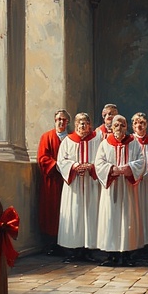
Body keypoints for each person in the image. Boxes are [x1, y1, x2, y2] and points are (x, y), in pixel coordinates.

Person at [95, 115, 146, 266]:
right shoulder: (105, 144)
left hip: (128, 188)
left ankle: (127, 254)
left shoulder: (134, 143)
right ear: (111, 127)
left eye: (122, 124)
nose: (119, 127)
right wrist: (112, 169)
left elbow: (141, 161)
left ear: (126, 127)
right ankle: (111, 255)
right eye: (116, 124)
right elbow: (99, 163)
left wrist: (128, 168)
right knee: (110, 219)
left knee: (127, 218)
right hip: (112, 187)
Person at [57, 112, 103, 263]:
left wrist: (92, 167)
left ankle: (88, 250)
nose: (83, 126)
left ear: (90, 125)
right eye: (80, 123)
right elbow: (61, 161)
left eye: (85, 123)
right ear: (75, 125)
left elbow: (103, 159)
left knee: (90, 215)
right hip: (74, 185)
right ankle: (73, 251)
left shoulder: (97, 139)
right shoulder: (68, 141)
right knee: (74, 215)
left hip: (91, 183)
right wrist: (75, 166)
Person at [37, 109, 70, 256]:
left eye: (64, 119)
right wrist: (57, 165)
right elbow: (43, 158)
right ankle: (51, 243)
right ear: (55, 121)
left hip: (68, 180)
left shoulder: (71, 139)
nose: (61, 122)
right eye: (58, 119)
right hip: (52, 180)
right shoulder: (47, 137)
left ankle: (65, 243)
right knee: (51, 211)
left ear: (68, 122)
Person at [131, 112, 148, 253]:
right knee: (136, 212)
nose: (139, 126)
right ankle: (136, 244)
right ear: (133, 125)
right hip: (134, 183)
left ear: (146, 125)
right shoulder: (129, 142)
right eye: (136, 123)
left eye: (142, 123)